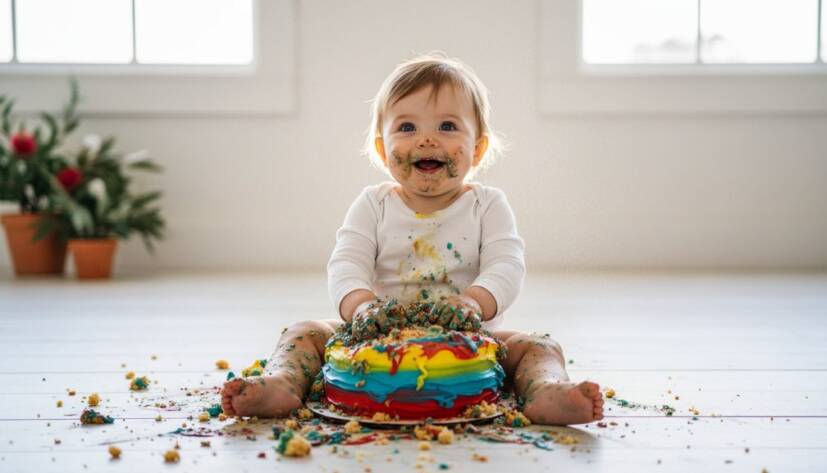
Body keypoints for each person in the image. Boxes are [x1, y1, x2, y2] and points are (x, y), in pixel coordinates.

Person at [221, 53, 603, 425]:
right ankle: (282, 384)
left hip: (470, 340)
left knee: (540, 345)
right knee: (303, 332)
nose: (426, 140)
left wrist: (473, 302)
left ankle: (548, 391)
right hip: (375, 336)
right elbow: (346, 263)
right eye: (407, 128)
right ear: (382, 150)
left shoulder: (487, 205)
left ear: (478, 148)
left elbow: (507, 265)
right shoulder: (374, 204)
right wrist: (361, 307)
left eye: (447, 126)